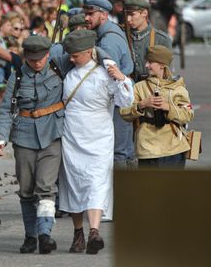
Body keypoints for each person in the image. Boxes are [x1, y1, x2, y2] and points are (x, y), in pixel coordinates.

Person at [58, 30, 133, 255]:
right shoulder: (67, 73)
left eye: (76, 55)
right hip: (72, 135)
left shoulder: (106, 73)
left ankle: (94, 231)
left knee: (97, 181)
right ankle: (78, 233)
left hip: (99, 134)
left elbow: (126, 101)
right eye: (69, 54)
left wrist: (122, 78)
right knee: (73, 183)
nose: (71, 59)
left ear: (90, 52)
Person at [0, 35, 64, 254]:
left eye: (40, 58)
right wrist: (0, 137)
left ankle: (45, 235)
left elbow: (83, 48)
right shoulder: (16, 77)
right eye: (32, 59)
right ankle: (30, 236)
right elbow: (6, 109)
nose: (36, 63)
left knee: (46, 187)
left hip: (52, 134)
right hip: (24, 136)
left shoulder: (59, 70)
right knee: (26, 191)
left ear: (47, 54)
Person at [120, 46, 193, 168]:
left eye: (150, 62)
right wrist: (142, 104)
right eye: (147, 61)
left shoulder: (177, 87)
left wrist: (168, 107)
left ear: (162, 65)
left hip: (174, 149)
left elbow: (188, 115)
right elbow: (124, 113)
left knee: (173, 187)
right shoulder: (139, 87)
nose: (147, 65)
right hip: (148, 150)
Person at [83, 0, 135, 167]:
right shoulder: (110, 31)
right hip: (122, 99)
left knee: (117, 152)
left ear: (104, 15)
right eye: (86, 13)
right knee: (124, 150)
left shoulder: (107, 41)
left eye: (91, 14)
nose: (86, 18)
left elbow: (110, 78)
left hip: (117, 102)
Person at [123, 0, 172, 82]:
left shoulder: (161, 39)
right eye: (126, 14)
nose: (128, 19)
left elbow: (166, 73)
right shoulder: (122, 36)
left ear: (144, 13)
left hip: (153, 88)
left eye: (132, 14)